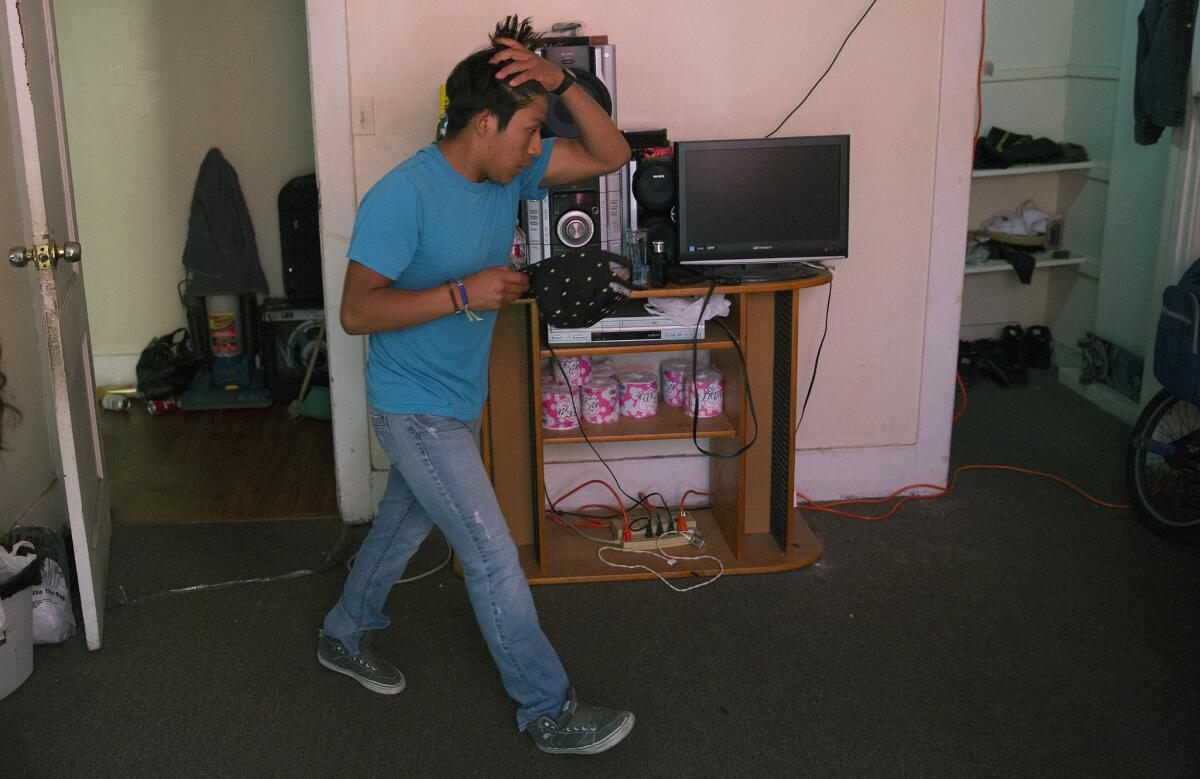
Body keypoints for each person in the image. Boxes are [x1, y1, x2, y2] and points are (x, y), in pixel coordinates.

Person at [317, 17, 634, 756]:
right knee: (491, 554)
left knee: (404, 522)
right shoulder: (402, 197)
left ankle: (343, 631)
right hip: (414, 408)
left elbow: (611, 154)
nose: (535, 148)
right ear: (485, 122)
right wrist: (463, 293)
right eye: (527, 130)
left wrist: (558, 82)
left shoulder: (510, 171)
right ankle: (548, 711)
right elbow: (358, 310)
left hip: (456, 399)